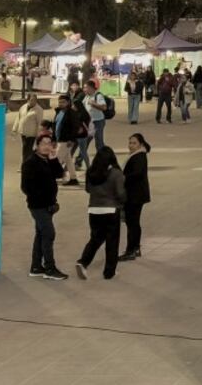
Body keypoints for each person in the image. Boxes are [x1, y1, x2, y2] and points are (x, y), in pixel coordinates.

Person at [20, 134, 68, 280]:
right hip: (38, 206)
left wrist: (54, 160)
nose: (47, 146)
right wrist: (44, 200)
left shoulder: (48, 160)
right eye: (43, 144)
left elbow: (59, 174)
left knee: (41, 234)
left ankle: (36, 267)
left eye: (49, 143)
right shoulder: (31, 163)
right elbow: (26, 187)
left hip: (49, 205)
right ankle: (50, 268)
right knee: (48, 233)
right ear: (37, 145)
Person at [75, 146, 126, 280]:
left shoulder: (91, 172)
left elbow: (88, 189)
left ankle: (83, 262)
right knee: (112, 242)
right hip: (111, 210)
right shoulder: (115, 173)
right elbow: (121, 193)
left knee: (96, 238)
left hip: (93, 210)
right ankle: (109, 272)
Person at [119, 134, 150, 261]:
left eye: (134, 143)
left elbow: (137, 174)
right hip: (136, 195)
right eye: (130, 143)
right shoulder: (137, 155)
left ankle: (131, 250)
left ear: (141, 144)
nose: (130, 145)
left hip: (135, 196)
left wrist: (122, 178)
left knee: (132, 223)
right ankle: (135, 248)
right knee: (133, 222)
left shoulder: (139, 156)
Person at [52, 94, 82, 186]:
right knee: (68, 160)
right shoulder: (58, 112)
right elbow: (55, 126)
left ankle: (50, 178)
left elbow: (75, 127)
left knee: (57, 160)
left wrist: (72, 139)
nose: (61, 104)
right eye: (60, 102)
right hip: (59, 139)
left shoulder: (72, 113)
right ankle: (73, 178)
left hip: (66, 141)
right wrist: (53, 139)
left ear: (68, 102)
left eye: (63, 102)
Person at [83, 79, 111, 152]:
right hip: (89, 122)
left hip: (98, 122)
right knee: (85, 141)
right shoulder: (87, 96)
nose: (84, 89)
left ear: (91, 88)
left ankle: (102, 158)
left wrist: (94, 104)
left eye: (86, 87)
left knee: (99, 142)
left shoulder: (98, 96)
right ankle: (79, 159)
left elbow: (104, 107)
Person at [13, 94, 43, 160]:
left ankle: (25, 166)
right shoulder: (23, 107)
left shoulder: (39, 110)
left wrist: (39, 135)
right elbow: (18, 117)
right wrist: (14, 128)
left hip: (31, 134)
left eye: (35, 100)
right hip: (23, 132)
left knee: (27, 150)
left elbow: (39, 123)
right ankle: (28, 164)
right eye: (32, 100)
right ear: (28, 100)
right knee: (25, 149)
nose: (33, 101)